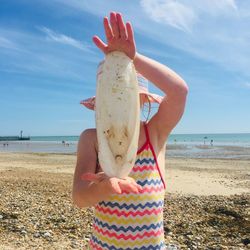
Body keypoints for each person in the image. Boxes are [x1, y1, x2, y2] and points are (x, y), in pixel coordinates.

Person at [72, 12, 188, 250]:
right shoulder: (91, 139)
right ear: (101, 103)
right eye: (113, 99)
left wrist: (132, 57)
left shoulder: (155, 134)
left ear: (143, 102)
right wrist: (105, 187)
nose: (120, 104)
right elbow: (80, 198)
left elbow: (179, 92)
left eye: (128, 98)